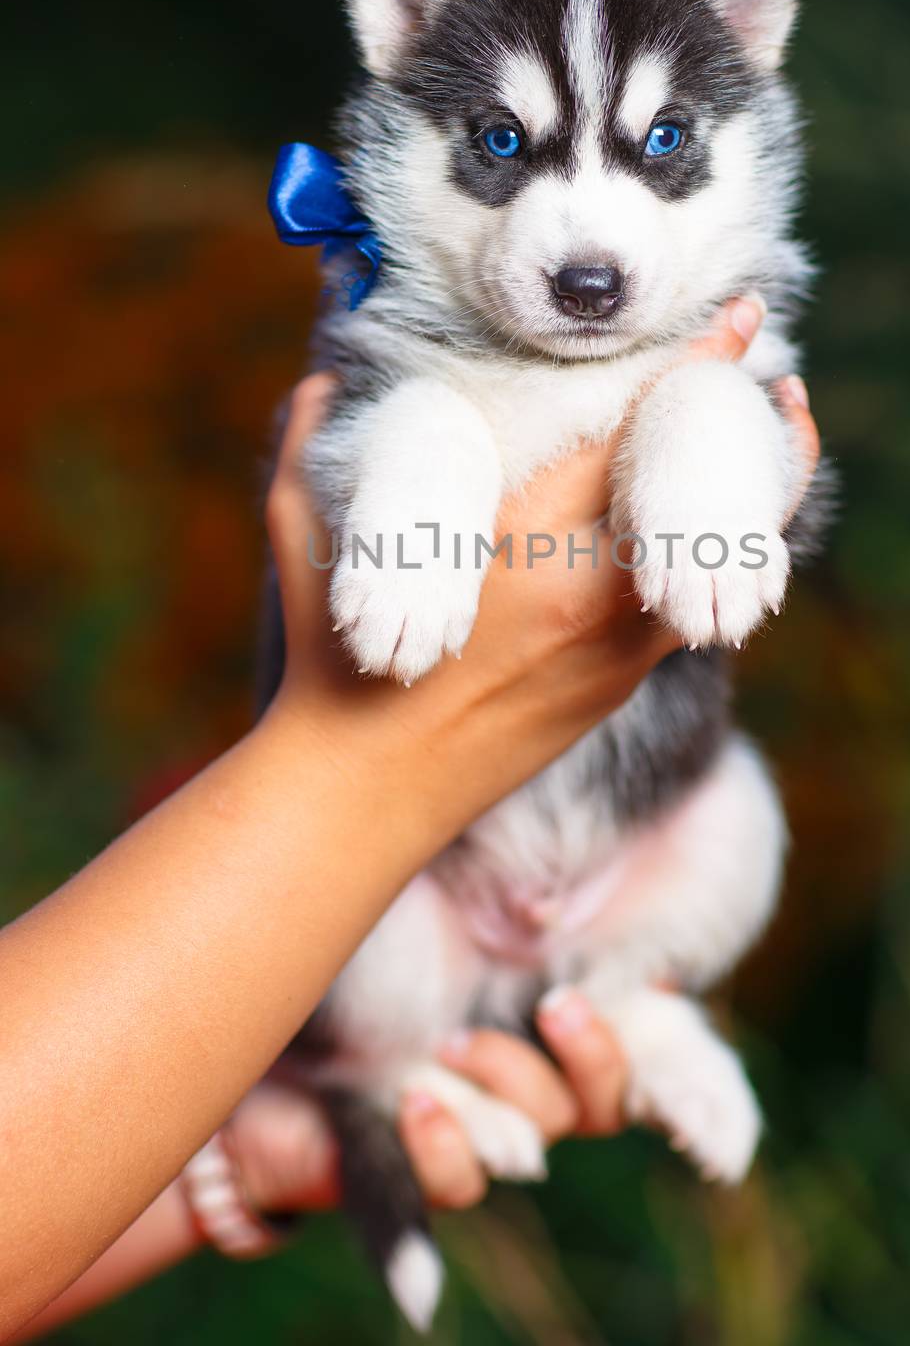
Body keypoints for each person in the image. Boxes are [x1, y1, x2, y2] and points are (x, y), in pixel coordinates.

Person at [0, 298, 819, 1341]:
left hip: (620, 847)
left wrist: (244, 1149)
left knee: (736, 815)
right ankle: (382, 1071)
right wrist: (369, 762)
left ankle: (629, 1004)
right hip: (421, 887)